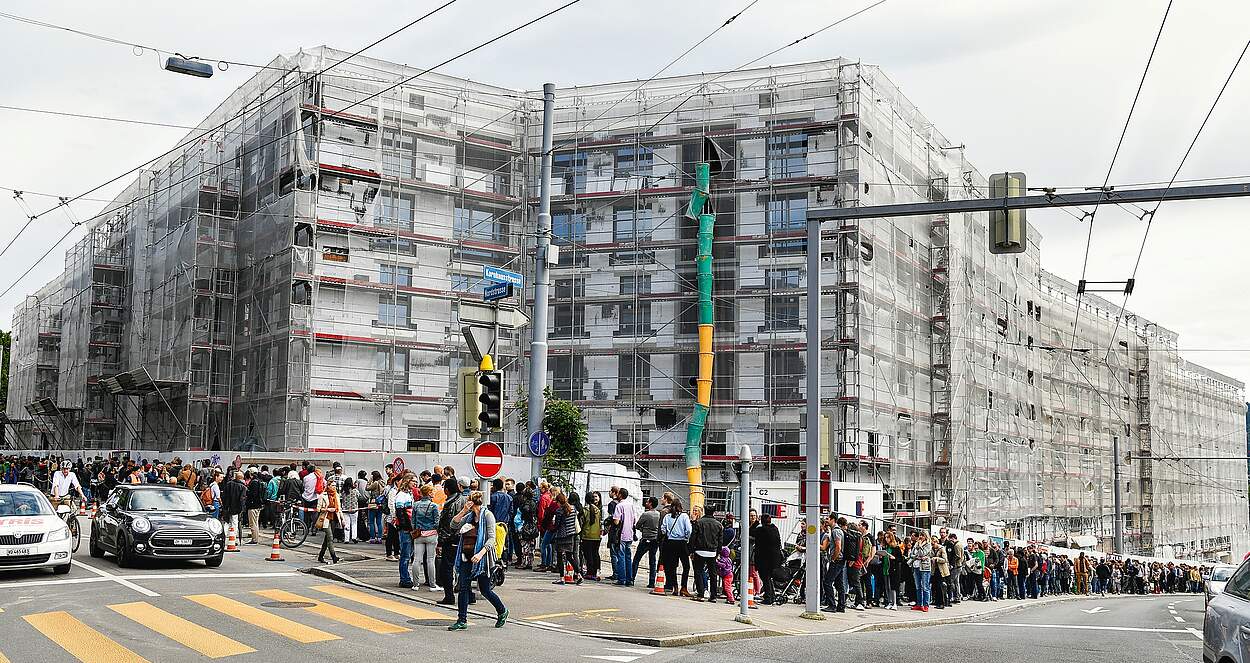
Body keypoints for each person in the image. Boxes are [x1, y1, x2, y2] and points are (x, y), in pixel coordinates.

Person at [447, 491, 508, 631]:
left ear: (472, 502)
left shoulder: (488, 516)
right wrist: (463, 511)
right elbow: (453, 525)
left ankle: (502, 611)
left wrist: (480, 554)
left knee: (485, 590)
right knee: (463, 588)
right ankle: (462, 620)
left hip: (482, 559)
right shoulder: (469, 516)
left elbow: (491, 539)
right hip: (465, 555)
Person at [411, 483, 441, 591]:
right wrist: (436, 530)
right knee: (430, 560)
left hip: (419, 534)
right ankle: (432, 585)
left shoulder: (416, 505)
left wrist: (416, 529)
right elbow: (437, 521)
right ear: (428, 493)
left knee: (417, 559)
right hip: (431, 534)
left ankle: (415, 584)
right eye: (432, 491)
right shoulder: (434, 506)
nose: (433, 493)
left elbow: (413, 521)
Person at [659, 496, 692, 596]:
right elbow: (689, 530)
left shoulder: (667, 517)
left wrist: (669, 533)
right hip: (681, 543)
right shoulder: (684, 516)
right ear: (680, 507)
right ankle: (684, 587)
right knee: (686, 566)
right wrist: (686, 537)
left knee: (672, 566)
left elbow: (663, 529)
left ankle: (675, 587)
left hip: (670, 543)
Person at [690, 505, 723, 602]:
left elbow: (693, 537)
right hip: (712, 552)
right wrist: (718, 552)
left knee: (698, 571)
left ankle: (701, 593)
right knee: (713, 574)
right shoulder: (718, 524)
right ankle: (713, 596)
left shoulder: (698, 522)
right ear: (714, 512)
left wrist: (691, 550)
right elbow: (720, 541)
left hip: (699, 550)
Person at [391, 473, 417, 588]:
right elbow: (401, 514)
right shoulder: (401, 495)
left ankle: (405, 577)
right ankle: (404, 578)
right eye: (413, 481)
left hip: (408, 527)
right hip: (406, 528)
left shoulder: (408, 494)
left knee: (408, 553)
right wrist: (408, 527)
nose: (415, 484)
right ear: (407, 481)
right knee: (405, 555)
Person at [552, 492, 583, 584]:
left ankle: (562, 578)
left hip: (561, 536)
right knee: (570, 556)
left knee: (559, 557)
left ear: (558, 502)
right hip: (571, 535)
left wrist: (554, 524)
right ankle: (579, 574)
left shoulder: (559, 511)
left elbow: (557, 525)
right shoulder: (573, 509)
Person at [752, 513, 782, 605]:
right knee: (768, 578)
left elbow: (752, 534)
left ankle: (768, 598)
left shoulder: (761, 530)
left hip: (764, 559)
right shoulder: (775, 529)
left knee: (765, 578)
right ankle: (771, 596)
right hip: (774, 559)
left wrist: (755, 523)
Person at [631, 496, 661, 587]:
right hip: (655, 540)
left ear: (651, 503)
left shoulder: (646, 514)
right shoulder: (659, 514)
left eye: (648, 502)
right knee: (652, 561)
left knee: (636, 559)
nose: (646, 503)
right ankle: (652, 582)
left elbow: (637, 525)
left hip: (645, 539)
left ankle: (632, 578)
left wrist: (643, 529)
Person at [612, 488, 638, 586]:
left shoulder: (619, 506)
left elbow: (616, 521)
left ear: (620, 495)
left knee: (621, 556)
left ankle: (621, 579)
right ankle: (629, 579)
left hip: (621, 534)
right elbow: (634, 519)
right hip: (629, 533)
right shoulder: (631, 505)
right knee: (628, 557)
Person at [908, 531, 934, 611]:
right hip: (916, 566)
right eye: (920, 535)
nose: (921, 537)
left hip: (924, 567)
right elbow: (911, 555)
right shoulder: (916, 544)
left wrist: (919, 547)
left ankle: (926, 604)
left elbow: (923, 553)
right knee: (918, 586)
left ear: (926, 536)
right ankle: (919, 604)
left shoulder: (928, 545)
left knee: (925, 586)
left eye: (922, 535)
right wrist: (917, 557)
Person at [316, 482, 341, 564]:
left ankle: (320, 556)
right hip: (325, 518)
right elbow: (318, 509)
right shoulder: (322, 496)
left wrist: (342, 519)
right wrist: (327, 509)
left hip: (334, 518)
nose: (334, 487)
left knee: (327, 539)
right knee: (330, 537)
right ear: (328, 486)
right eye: (332, 485)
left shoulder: (336, 495)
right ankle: (334, 556)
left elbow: (339, 509)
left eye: (335, 485)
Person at [581, 491, 603, 581]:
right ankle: (594, 572)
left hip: (587, 535)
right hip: (596, 535)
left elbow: (582, 523)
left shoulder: (585, 510)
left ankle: (589, 572)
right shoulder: (598, 510)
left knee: (588, 554)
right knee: (595, 554)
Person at [245, 468, 265, 544]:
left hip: (253, 505)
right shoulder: (259, 481)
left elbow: (252, 494)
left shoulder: (254, 482)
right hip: (258, 504)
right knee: (255, 522)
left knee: (252, 523)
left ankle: (254, 539)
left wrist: (247, 491)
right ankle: (255, 538)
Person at [367, 470, 386, 544]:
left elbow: (367, 488)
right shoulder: (383, 482)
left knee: (371, 522)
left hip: (373, 503)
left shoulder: (375, 483)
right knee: (379, 522)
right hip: (380, 504)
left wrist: (369, 480)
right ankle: (379, 538)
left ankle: (372, 538)